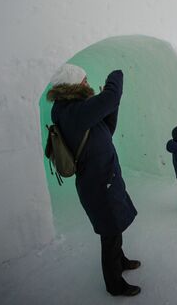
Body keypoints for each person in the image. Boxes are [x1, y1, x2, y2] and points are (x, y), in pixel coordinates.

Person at [47, 64, 141, 297]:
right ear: (72, 84)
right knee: (110, 232)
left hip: (103, 175)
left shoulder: (75, 109)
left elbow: (106, 130)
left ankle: (121, 261)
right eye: (84, 80)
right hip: (98, 182)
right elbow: (111, 95)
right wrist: (116, 73)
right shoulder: (71, 110)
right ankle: (114, 284)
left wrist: (112, 106)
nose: (87, 83)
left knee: (115, 223)